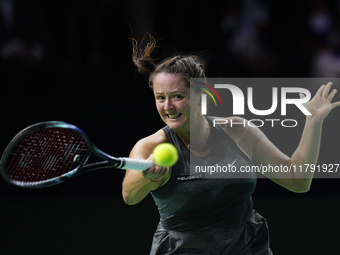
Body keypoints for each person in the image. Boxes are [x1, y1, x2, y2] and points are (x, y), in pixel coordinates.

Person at [122, 35, 340, 255]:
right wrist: (146, 175)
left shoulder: (237, 130)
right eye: (160, 98)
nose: (168, 106)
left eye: (177, 96)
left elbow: (297, 180)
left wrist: (313, 121)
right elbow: (130, 196)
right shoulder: (150, 146)